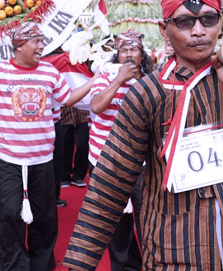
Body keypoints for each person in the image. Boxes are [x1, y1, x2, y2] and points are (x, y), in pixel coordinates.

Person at [63, 0, 223, 270]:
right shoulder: (147, 94)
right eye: (185, 22)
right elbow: (109, 187)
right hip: (175, 256)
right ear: (164, 29)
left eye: (208, 20)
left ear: (220, 22)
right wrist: (79, 264)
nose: (198, 31)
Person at [0, 23, 94, 271]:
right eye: (36, 41)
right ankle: (14, 266)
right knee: (7, 217)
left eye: (43, 41)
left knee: (44, 220)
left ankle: (42, 266)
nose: (42, 46)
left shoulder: (50, 72)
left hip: (43, 161)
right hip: (8, 162)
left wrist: (95, 81)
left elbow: (68, 98)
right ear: (19, 45)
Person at [87, 29, 152, 270]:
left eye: (132, 49)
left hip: (142, 166)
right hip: (108, 163)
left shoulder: (150, 78)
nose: (127, 54)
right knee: (118, 228)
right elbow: (96, 106)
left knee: (149, 222)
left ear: (141, 54)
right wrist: (118, 80)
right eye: (123, 50)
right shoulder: (106, 76)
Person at [59, 106, 90, 188]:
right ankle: (64, 176)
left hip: (82, 115)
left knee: (83, 145)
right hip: (64, 115)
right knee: (66, 146)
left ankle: (78, 176)